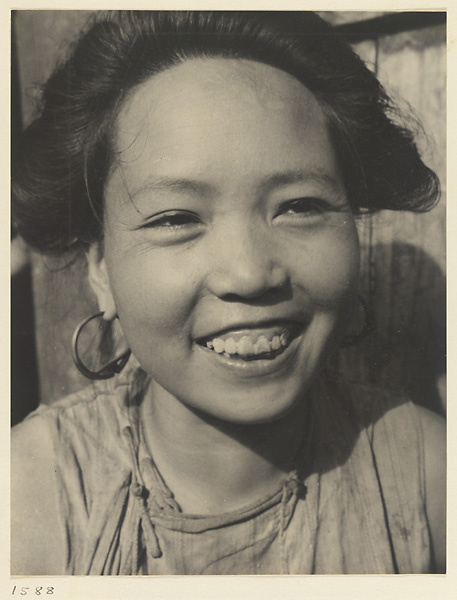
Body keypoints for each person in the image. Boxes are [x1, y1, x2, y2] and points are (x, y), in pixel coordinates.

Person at [11, 10, 445, 575]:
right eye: (175, 218)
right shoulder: (26, 497)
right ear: (100, 268)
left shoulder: (432, 481)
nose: (248, 275)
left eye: (299, 206)